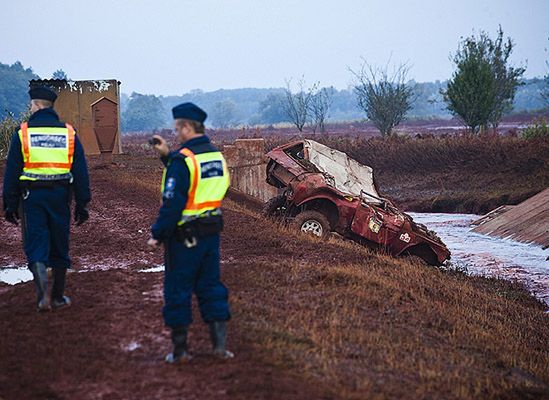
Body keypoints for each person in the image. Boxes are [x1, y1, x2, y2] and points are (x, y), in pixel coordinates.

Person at [147, 102, 233, 364]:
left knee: (178, 289)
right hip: (211, 235)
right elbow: (208, 186)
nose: (176, 134)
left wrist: (158, 234)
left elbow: (173, 204)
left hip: (183, 239)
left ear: (186, 127)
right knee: (211, 286)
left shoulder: (182, 161)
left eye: (177, 128)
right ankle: (220, 347)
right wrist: (167, 156)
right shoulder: (215, 156)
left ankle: (181, 351)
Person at [2, 86, 91, 311]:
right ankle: (59, 297)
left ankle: (42, 294)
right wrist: (82, 204)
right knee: (59, 243)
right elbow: (81, 171)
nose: (30, 108)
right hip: (61, 197)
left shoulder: (23, 133)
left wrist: (10, 204)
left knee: (36, 241)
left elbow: (12, 171)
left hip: (32, 198)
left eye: (31, 104)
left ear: (37, 105)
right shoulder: (68, 133)